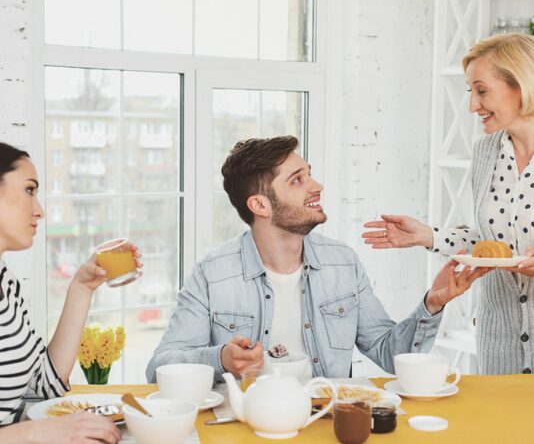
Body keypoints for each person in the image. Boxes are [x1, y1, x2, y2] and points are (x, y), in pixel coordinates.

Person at [146, 136, 489, 383]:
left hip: (326, 425)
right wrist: (220, 358)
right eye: (298, 180)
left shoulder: (343, 263)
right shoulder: (212, 274)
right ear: (260, 205)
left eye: (308, 173)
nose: (317, 186)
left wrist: (432, 304)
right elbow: (159, 367)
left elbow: (388, 353)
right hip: (246, 426)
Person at [362, 33, 534, 375]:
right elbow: (492, 247)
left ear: (522, 85)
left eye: (481, 91)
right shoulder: (487, 151)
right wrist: (427, 236)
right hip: (500, 341)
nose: (472, 105)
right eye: (470, 92)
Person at [0, 142, 142, 443]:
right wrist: (34, 432)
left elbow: (44, 387)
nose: (40, 211)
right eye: (29, 190)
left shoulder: (7, 285)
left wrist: (82, 288)